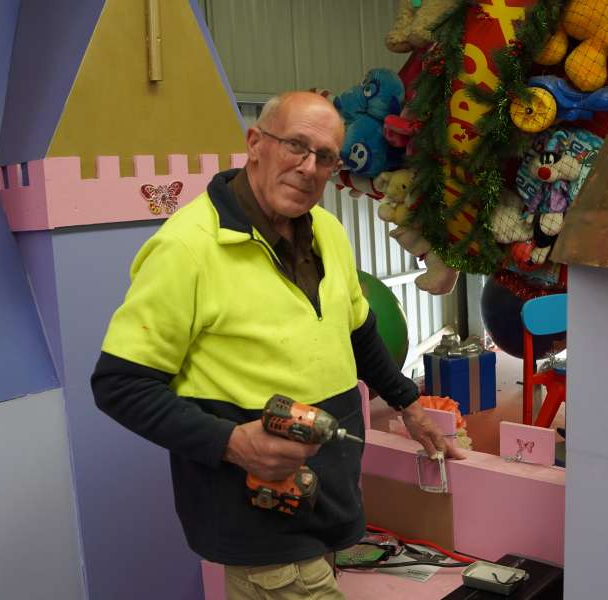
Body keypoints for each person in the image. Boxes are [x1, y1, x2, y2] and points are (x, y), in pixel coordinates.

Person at [91, 90, 464, 599]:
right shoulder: (187, 248)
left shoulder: (328, 232)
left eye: (326, 157)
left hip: (326, 506)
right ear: (255, 144)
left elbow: (357, 331)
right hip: (257, 521)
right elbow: (120, 384)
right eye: (295, 146)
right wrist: (232, 443)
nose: (309, 168)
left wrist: (408, 403)